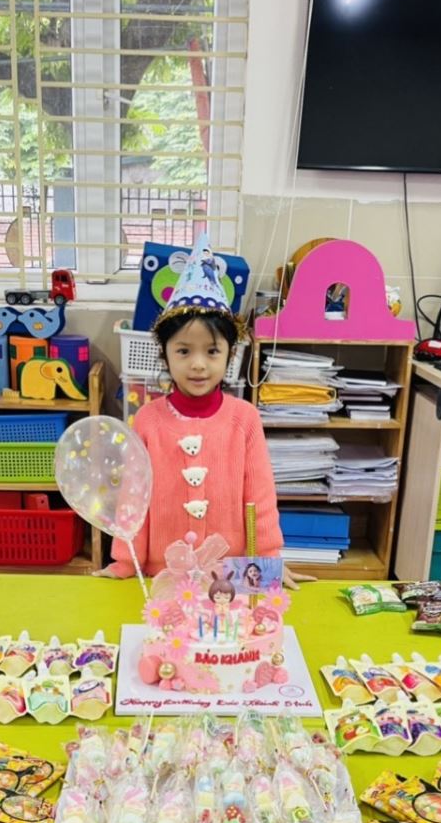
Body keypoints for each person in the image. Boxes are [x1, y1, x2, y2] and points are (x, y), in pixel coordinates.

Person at [96, 233, 313, 588]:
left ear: (230, 354)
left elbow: (260, 498)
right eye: (183, 351)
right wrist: (123, 562)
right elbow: (133, 500)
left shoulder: (245, 419)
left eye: (212, 351)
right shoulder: (147, 419)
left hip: (231, 579)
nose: (198, 364)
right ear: (165, 354)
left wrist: (269, 562)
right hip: (161, 577)